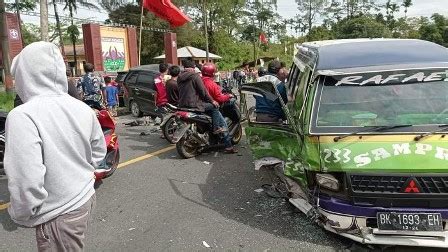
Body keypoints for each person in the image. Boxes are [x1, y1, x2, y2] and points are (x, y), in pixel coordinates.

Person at [5, 42, 106, 251]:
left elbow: (26, 179)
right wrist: (78, 174)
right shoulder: (81, 108)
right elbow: (98, 152)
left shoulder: (23, 115)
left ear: (25, 75)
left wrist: (21, 213)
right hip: (84, 198)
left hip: (58, 213)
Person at [177, 59, 229, 136]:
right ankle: (216, 128)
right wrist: (212, 101)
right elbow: (203, 91)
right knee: (215, 107)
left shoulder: (179, 77)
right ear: (193, 67)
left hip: (181, 105)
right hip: (193, 105)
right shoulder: (195, 76)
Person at [201, 63, 238, 153]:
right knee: (223, 125)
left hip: (201, 106)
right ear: (212, 73)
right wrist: (228, 96)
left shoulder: (200, 80)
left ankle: (213, 141)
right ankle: (229, 147)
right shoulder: (211, 83)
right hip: (211, 106)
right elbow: (219, 98)